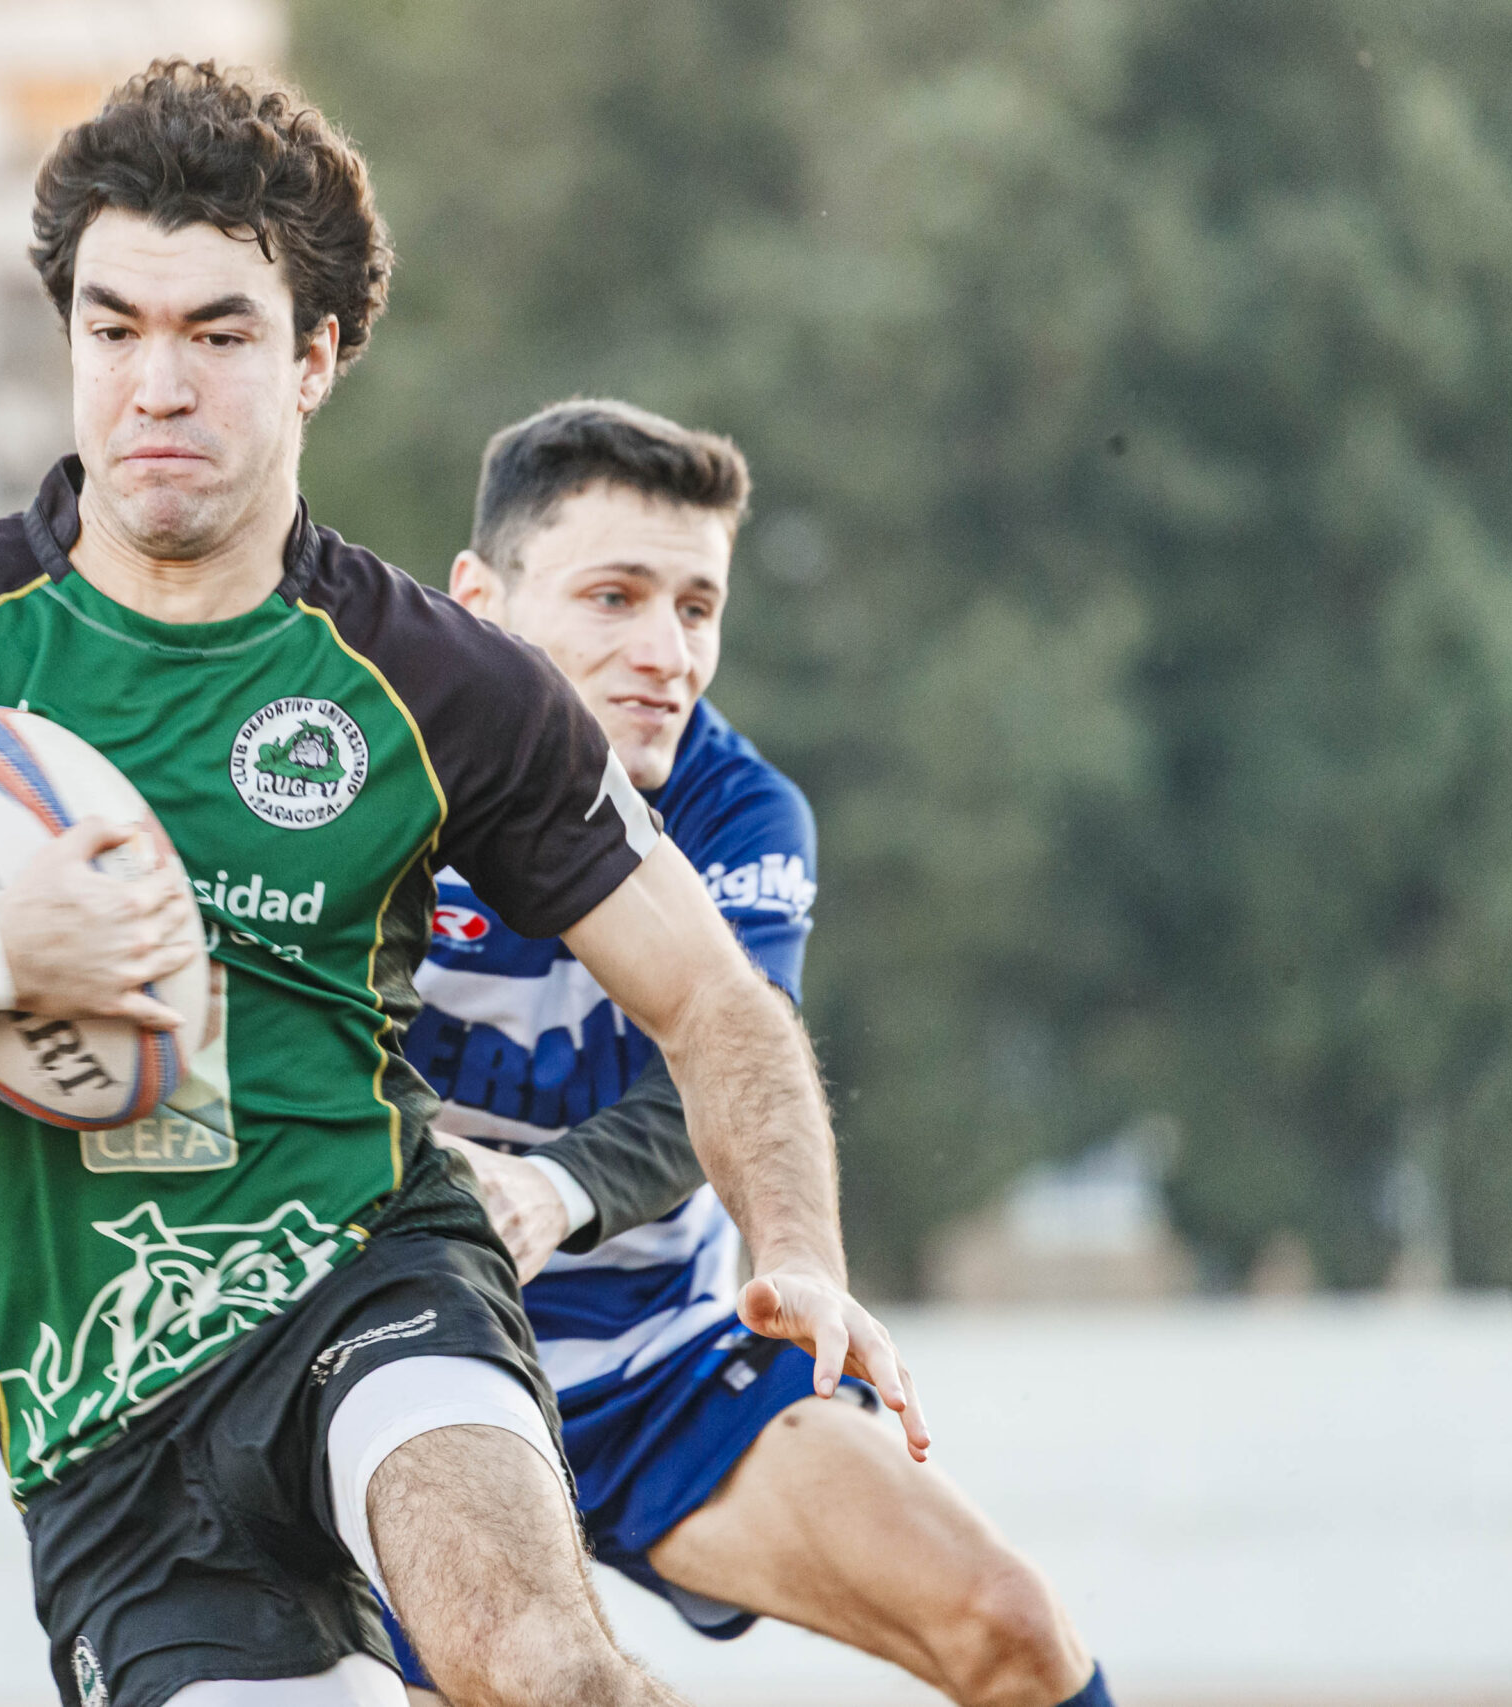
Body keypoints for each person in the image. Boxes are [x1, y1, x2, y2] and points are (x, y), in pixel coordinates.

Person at [0, 63, 923, 1707]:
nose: (157, 386)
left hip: (369, 1273)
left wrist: (807, 1256)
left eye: (218, 333)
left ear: (317, 358)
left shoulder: (443, 682)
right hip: (99, 1417)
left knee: (553, 1671)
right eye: (113, 330)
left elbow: (713, 996)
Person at [386, 400, 1110, 1707]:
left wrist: (551, 1192)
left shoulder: (739, 806)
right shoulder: (367, 781)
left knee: (1011, 1624)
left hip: (668, 1365)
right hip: (411, 1375)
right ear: (483, 602)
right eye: (614, 597)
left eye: (696, 606)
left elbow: (723, 1064)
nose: (667, 651)